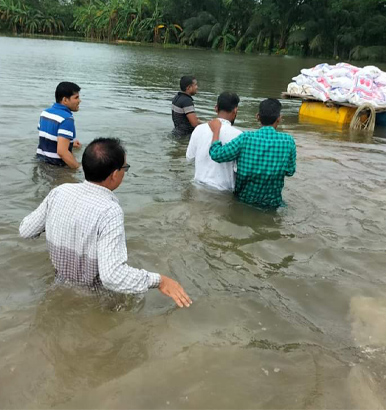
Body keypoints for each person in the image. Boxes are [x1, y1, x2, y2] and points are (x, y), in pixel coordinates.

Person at [19, 138, 192, 308]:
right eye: (125, 167)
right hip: (95, 300)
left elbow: (26, 230)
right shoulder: (109, 211)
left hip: (59, 287)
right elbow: (112, 276)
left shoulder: (59, 192)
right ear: (115, 174)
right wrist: (160, 281)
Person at [208, 98, 296, 208]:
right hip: (272, 204)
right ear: (279, 118)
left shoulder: (246, 138)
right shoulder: (288, 141)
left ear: (257, 117)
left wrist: (216, 131)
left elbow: (216, 154)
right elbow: (290, 171)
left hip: (243, 202)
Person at [186, 92, 243, 191]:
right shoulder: (239, 135)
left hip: (198, 186)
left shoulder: (199, 129)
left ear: (216, 108)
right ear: (235, 110)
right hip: (222, 192)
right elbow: (240, 169)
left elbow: (189, 158)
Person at [37, 81, 83, 168]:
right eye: (76, 97)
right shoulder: (67, 119)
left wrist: (70, 143)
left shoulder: (45, 113)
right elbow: (62, 152)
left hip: (41, 162)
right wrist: (78, 169)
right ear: (65, 100)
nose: (79, 101)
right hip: (56, 167)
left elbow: (48, 138)